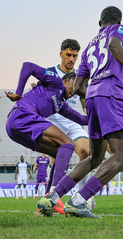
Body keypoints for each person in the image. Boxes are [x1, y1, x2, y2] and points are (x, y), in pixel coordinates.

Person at [37, 6, 123, 218]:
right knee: (121, 156)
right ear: (118, 21)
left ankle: (53, 196)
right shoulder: (119, 30)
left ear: (99, 23)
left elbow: (77, 88)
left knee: (95, 158)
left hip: (93, 97)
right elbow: (114, 44)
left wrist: (96, 92)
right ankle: (78, 200)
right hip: (112, 94)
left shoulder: (88, 47)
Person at [5, 62, 88, 201]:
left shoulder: (61, 105)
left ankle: (48, 197)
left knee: (58, 151)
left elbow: (81, 119)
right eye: (74, 85)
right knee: (68, 143)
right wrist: (19, 93)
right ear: (65, 80)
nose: (75, 91)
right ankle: (55, 195)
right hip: (22, 114)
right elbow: (27, 66)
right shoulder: (55, 81)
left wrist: (102, 114)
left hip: (15, 129)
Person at [45, 39, 90, 194]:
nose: (71, 59)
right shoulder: (50, 73)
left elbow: (85, 104)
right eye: (68, 55)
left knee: (85, 152)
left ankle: (81, 193)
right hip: (53, 122)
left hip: (72, 122)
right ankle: (51, 192)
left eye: (75, 56)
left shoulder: (80, 78)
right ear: (61, 53)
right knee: (58, 158)